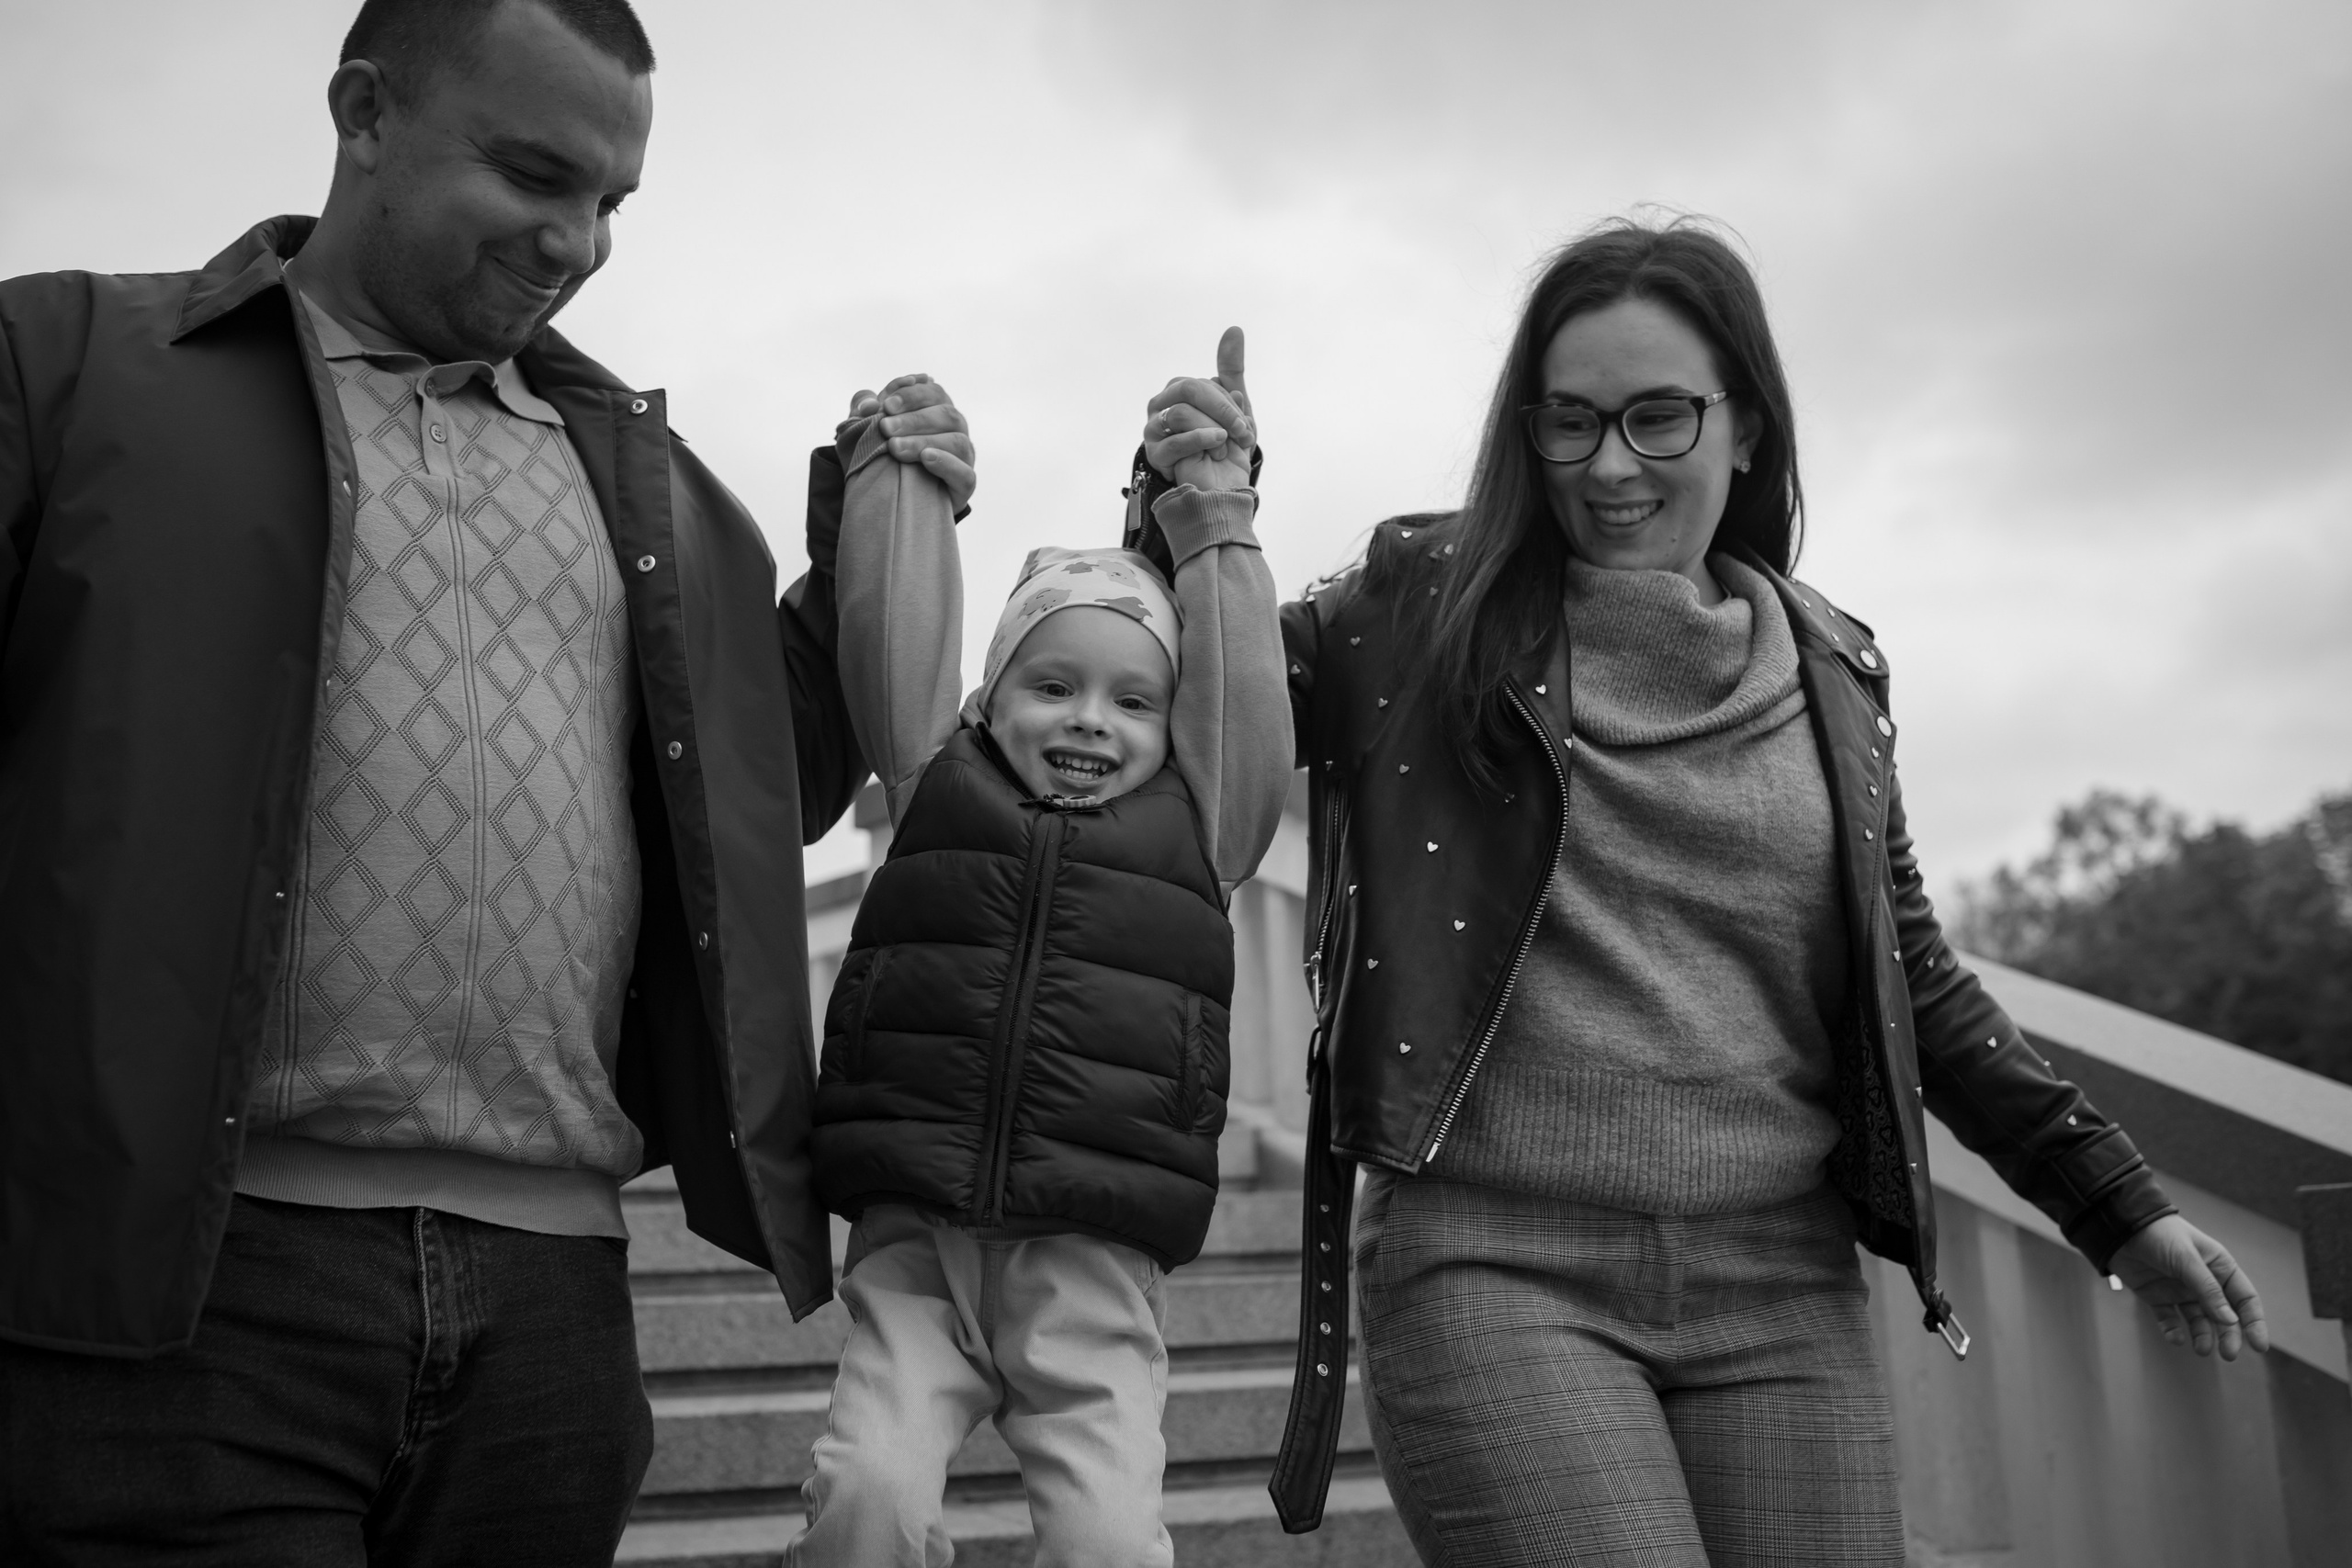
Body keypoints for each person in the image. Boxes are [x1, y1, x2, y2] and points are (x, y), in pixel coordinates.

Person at [0, 1, 974, 1562]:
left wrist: (854, 559)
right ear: (363, 113)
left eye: (611, 200)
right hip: (179, 1296)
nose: (577, 242)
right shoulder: (62, 366)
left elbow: (753, 805)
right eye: (532, 176)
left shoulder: (658, 488)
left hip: (551, 1309)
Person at [1151, 220, 2270, 1566]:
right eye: (1570, 422)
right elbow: (1166, 704)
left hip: (1782, 1285)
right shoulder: (1416, 610)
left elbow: (1912, 977)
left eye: (1659, 416)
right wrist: (1191, 517)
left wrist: (2117, 1205)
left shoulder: (1831, 666)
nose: (1610, 465)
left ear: (1746, 429)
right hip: (1492, 1266)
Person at [785, 330, 1291, 1567]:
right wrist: (901, 483)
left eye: (1134, 700)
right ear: (989, 698)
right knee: (866, 1501)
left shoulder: (1201, 827)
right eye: (1052, 685)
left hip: (1093, 1260)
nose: (1091, 720)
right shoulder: (935, 785)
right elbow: (894, 643)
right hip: (921, 1244)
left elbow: (1240, 702)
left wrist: (1213, 508)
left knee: (1108, 1540)